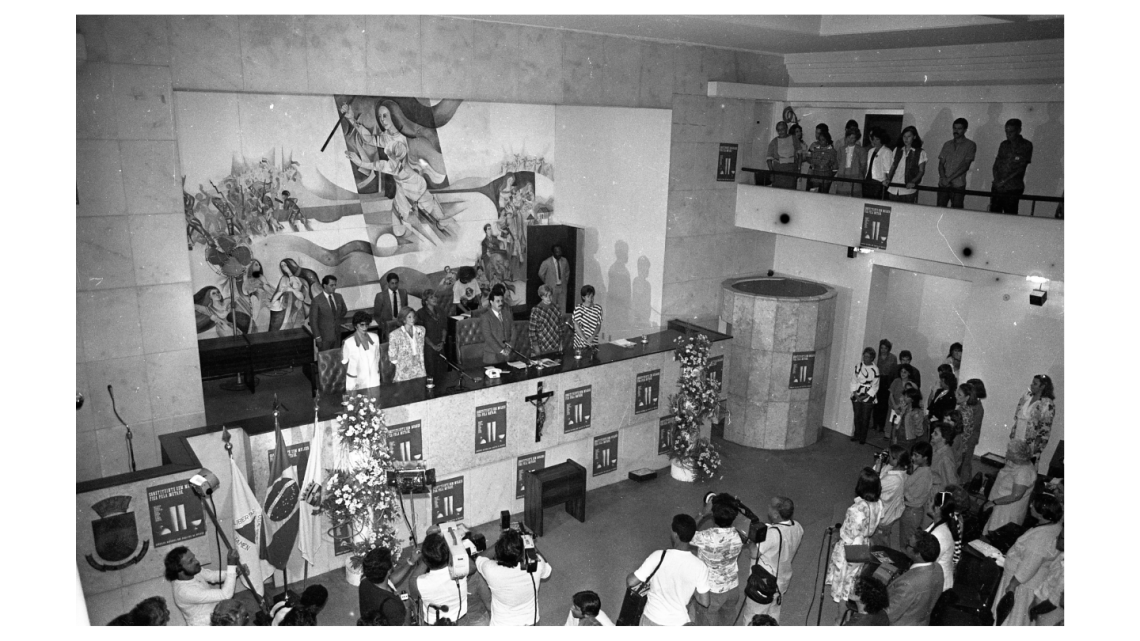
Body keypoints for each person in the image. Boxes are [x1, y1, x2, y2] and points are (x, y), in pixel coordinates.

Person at [627, 514, 711, 627]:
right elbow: (705, 601)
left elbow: (631, 582)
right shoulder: (700, 566)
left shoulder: (658, 556)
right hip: (677, 622)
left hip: (652, 618)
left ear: (675, 534)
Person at [994, 496, 1064, 627]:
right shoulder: (1053, 525)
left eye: (1034, 504)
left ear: (1042, 513)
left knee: (1011, 619)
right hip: (1025, 582)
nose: (1030, 505)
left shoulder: (1041, 537)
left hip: (1021, 584)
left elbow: (1029, 565)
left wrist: (1013, 585)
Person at [826, 467, 883, 624]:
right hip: (864, 544)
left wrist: (839, 535)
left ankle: (840, 619)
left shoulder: (855, 509)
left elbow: (849, 534)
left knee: (845, 583)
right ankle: (851, 616)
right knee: (854, 580)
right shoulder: (878, 504)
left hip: (851, 547)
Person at [738, 496, 804, 625]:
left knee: (753, 617)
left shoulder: (772, 534)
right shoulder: (798, 527)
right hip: (782, 580)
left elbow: (754, 553)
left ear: (775, 514)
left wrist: (749, 538)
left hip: (763, 583)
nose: (767, 506)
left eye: (770, 506)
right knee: (773, 615)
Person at [476, 528, 554, 627]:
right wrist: (531, 546)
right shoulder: (536, 566)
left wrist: (502, 543)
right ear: (522, 553)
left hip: (502, 623)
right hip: (530, 622)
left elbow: (479, 558)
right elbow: (548, 571)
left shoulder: (490, 569)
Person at [410, 530, 488, 627]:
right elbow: (472, 566)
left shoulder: (418, 583)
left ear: (425, 559)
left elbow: (412, 582)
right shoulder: (460, 571)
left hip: (434, 624)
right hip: (461, 622)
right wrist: (455, 545)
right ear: (448, 554)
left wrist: (427, 555)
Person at [691, 500, 747, 627]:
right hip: (732, 588)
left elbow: (686, 533)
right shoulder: (740, 536)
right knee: (727, 620)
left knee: (706, 620)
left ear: (713, 516)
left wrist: (702, 513)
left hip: (710, 591)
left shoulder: (706, 537)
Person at [166, 546, 240, 627]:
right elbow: (225, 595)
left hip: (214, 616)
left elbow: (214, 576)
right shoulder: (184, 591)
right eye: (191, 561)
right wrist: (231, 565)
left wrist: (235, 572)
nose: (197, 561)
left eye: (194, 557)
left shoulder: (193, 572)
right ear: (180, 571)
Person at [886, 531, 944, 627]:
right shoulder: (938, 568)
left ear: (918, 554)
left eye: (908, 545)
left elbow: (888, 614)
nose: (906, 546)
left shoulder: (908, 584)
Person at [983, 439, 1037, 534]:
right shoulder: (1017, 462)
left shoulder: (1023, 472)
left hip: (1007, 510)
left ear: (1017, 456)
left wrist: (993, 502)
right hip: (1000, 506)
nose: (1006, 452)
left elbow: (1016, 495)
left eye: (1009, 451)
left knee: (996, 535)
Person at [359, 545, 417, 627]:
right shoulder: (391, 605)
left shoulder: (364, 581)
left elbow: (390, 580)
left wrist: (411, 562)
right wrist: (407, 607)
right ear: (389, 570)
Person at [990, 118, 1033, 215]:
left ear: (1019, 130)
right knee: (993, 216)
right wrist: (997, 180)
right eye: (1006, 131)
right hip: (998, 187)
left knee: (1010, 217)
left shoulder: (1026, 145)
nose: (1008, 134)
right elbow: (996, 164)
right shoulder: (1004, 144)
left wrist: (1003, 181)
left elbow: (1021, 167)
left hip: (1013, 187)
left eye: (1011, 131)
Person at [873, 445, 909, 550]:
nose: (887, 457)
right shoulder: (896, 469)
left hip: (884, 517)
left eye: (889, 455)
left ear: (896, 460)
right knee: (879, 540)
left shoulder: (895, 480)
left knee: (880, 544)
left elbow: (873, 485)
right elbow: (886, 470)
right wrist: (883, 460)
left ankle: (882, 563)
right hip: (887, 514)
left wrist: (878, 468)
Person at [1012, 374, 1056, 459]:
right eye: (1032, 383)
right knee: (1012, 463)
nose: (1031, 385)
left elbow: (1045, 428)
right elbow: (1018, 416)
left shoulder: (1047, 404)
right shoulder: (1026, 396)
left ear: (1042, 386)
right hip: (1017, 435)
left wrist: (1037, 446)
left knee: (1025, 467)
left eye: (1035, 384)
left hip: (1031, 441)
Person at [1030, 524, 1066, 627]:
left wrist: (1036, 610)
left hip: (1051, 611)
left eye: (1062, 537)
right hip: (1043, 605)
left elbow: (1056, 599)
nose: (1057, 538)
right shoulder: (1061, 556)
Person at [899, 442, 933, 550]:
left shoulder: (925, 476)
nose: (913, 458)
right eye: (913, 454)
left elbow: (911, 498)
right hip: (911, 511)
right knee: (905, 540)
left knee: (907, 544)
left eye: (916, 455)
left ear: (926, 458)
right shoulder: (921, 469)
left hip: (912, 512)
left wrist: (899, 491)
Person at [937, 118, 977, 208]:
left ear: (965, 130)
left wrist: (949, 179)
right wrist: (944, 178)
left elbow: (966, 166)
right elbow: (941, 164)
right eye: (954, 128)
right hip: (944, 184)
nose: (956, 131)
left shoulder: (970, 145)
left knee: (956, 213)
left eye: (959, 129)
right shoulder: (947, 144)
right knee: (939, 210)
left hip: (958, 185)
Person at [925, 492, 961, 593]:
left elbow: (927, 561)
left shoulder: (939, 534)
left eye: (931, 501)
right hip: (935, 578)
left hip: (938, 585)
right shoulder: (939, 524)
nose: (928, 503)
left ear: (937, 509)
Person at [885, 126, 927, 203]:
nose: (906, 139)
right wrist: (888, 178)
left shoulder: (920, 152)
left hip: (908, 190)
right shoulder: (897, 149)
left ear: (914, 137)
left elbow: (921, 171)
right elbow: (893, 166)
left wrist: (913, 181)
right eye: (904, 136)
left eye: (909, 136)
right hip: (893, 188)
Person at [415, 289, 448, 384]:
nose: (435, 299)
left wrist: (442, 341)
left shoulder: (441, 310)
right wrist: (432, 345)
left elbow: (444, 327)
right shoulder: (420, 313)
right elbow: (421, 333)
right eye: (431, 297)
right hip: (428, 347)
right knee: (431, 372)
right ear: (426, 301)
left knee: (442, 372)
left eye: (435, 297)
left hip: (440, 344)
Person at [342, 311, 381, 391]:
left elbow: (378, 356)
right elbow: (344, 363)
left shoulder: (375, 337)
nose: (365, 328)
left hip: (374, 379)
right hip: (356, 381)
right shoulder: (348, 342)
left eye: (366, 324)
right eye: (362, 325)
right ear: (356, 325)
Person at [389, 305, 427, 382]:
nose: (412, 319)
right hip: (404, 369)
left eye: (413, 316)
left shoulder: (421, 330)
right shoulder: (395, 334)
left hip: (419, 367)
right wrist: (404, 364)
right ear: (403, 319)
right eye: (409, 317)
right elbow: (392, 357)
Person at [849, 347, 879, 444]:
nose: (865, 358)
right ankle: (856, 434)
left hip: (868, 394)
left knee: (865, 417)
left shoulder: (875, 370)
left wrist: (865, 396)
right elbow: (853, 380)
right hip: (857, 392)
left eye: (867, 357)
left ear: (872, 358)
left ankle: (863, 437)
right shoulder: (858, 366)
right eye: (864, 356)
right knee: (857, 415)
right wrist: (855, 394)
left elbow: (875, 385)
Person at [309, 275, 346, 350]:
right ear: (325, 286)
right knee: (325, 359)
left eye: (335, 285)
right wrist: (317, 337)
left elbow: (344, 310)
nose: (334, 287)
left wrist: (336, 320)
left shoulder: (339, 297)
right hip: (324, 338)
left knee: (336, 357)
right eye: (331, 285)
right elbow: (313, 321)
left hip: (337, 335)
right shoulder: (317, 300)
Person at [268, 258, 306, 331]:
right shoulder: (284, 278)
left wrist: (291, 290)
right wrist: (272, 302)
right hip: (286, 306)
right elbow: (279, 292)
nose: (284, 267)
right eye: (282, 266)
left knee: (296, 328)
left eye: (285, 265)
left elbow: (302, 297)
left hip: (297, 307)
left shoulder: (299, 279)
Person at [953, 382, 981, 480]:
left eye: (959, 395)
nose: (956, 396)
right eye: (956, 393)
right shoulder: (962, 408)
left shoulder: (965, 414)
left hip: (958, 448)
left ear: (967, 397)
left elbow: (961, 435)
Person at [527, 284, 563, 357]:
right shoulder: (536, 310)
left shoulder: (557, 308)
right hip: (540, 348)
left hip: (555, 347)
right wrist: (536, 349)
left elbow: (560, 328)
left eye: (550, 295)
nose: (548, 298)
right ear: (541, 296)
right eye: (546, 296)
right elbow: (532, 332)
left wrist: (561, 343)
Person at [481, 284, 514, 365]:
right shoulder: (485, 317)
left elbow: (513, 331)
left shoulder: (507, 314)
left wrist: (510, 346)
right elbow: (488, 337)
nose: (501, 303)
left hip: (507, 356)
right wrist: (501, 350)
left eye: (502, 301)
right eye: (498, 301)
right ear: (491, 302)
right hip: (492, 357)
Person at [887, 364, 919, 443]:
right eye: (901, 372)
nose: (903, 374)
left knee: (900, 427)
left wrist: (900, 408)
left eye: (905, 372)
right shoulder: (896, 381)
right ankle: (892, 443)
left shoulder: (911, 384)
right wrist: (895, 406)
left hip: (904, 409)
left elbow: (911, 398)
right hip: (894, 407)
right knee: (893, 428)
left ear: (909, 373)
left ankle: (897, 443)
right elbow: (891, 394)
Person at [765, 121, 802, 189]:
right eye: (778, 130)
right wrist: (772, 172)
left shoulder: (794, 139)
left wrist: (799, 169)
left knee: (790, 193)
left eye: (782, 129)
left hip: (791, 172)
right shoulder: (774, 142)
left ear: (786, 129)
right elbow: (769, 159)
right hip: (778, 172)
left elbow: (800, 154)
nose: (780, 132)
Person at [831, 127, 865, 197]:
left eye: (853, 138)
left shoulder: (861, 150)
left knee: (855, 199)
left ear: (856, 138)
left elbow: (863, 165)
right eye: (849, 137)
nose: (850, 140)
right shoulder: (841, 149)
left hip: (855, 179)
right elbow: (839, 162)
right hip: (842, 178)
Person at [538, 244, 571, 313]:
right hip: (552, 288)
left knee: (562, 308)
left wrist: (565, 282)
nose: (559, 254)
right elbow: (541, 273)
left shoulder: (564, 261)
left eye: (560, 251)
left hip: (562, 287)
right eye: (557, 252)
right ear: (553, 253)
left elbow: (567, 272)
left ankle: (561, 322)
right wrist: (547, 282)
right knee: (551, 307)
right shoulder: (546, 262)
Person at [875, 339, 898, 434]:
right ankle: (875, 423)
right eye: (882, 348)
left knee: (884, 404)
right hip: (877, 380)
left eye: (886, 348)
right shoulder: (877, 357)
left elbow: (894, 371)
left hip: (887, 381)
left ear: (889, 349)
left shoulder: (893, 357)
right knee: (876, 403)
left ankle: (881, 425)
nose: (883, 350)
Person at [929, 423, 959, 497]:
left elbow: (951, 483)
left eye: (935, 434)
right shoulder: (933, 446)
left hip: (936, 492)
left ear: (944, 438)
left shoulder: (945, 459)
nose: (932, 434)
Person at [864, 127, 893, 200]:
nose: (875, 141)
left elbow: (888, 170)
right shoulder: (870, 151)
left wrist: (887, 180)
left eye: (877, 139)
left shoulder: (887, 151)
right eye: (873, 139)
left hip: (879, 182)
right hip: (868, 181)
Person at [572, 285, 603, 349]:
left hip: (593, 342)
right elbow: (576, 327)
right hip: (580, 344)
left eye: (592, 296)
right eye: (588, 296)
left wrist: (592, 337)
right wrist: (586, 340)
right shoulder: (578, 309)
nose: (590, 299)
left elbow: (598, 326)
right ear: (583, 297)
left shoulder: (598, 308)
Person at [808, 128, 837, 193]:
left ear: (827, 140)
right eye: (820, 140)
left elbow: (835, 167)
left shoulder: (832, 151)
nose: (821, 142)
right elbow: (812, 164)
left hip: (826, 177)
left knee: (824, 194)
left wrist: (829, 175)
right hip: (816, 176)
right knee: (814, 194)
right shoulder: (815, 150)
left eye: (823, 140)